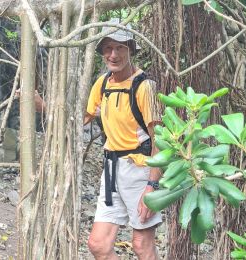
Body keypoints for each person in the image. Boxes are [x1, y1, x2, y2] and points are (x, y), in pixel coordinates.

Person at [84, 19, 162, 260]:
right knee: (98, 245)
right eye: (108, 48)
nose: (113, 54)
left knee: (141, 245)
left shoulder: (145, 87)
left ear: (131, 50)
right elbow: (79, 119)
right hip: (111, 170)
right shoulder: (103, 83)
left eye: (120, 48)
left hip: (140, 171)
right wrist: (40, 106)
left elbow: (159, 141)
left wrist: (153, 186)